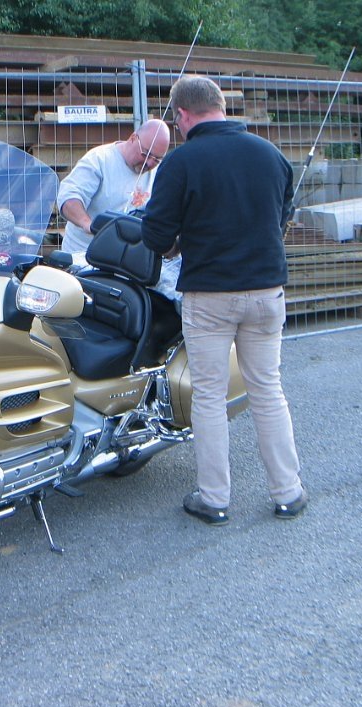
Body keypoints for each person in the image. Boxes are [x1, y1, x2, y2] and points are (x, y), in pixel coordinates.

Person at [141, 75, 308, 525]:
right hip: (267, 292)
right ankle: (288, 492)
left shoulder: (181, 161)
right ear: (220, 106)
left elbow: (156, 236)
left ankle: (214, 499)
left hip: (210, 295)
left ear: (182, 115)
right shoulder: (271, 155)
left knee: (210, 396)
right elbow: (280, 217)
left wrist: (177, 244)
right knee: (268, 390)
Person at [57, 118, 170, 255]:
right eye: (146, 154)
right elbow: (69, 197)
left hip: (128, 258)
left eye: (157, 159)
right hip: (83, 253)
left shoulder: (158, 173)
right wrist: (88, 224)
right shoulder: (100, 159)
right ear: (133, 138)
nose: (150, 163)